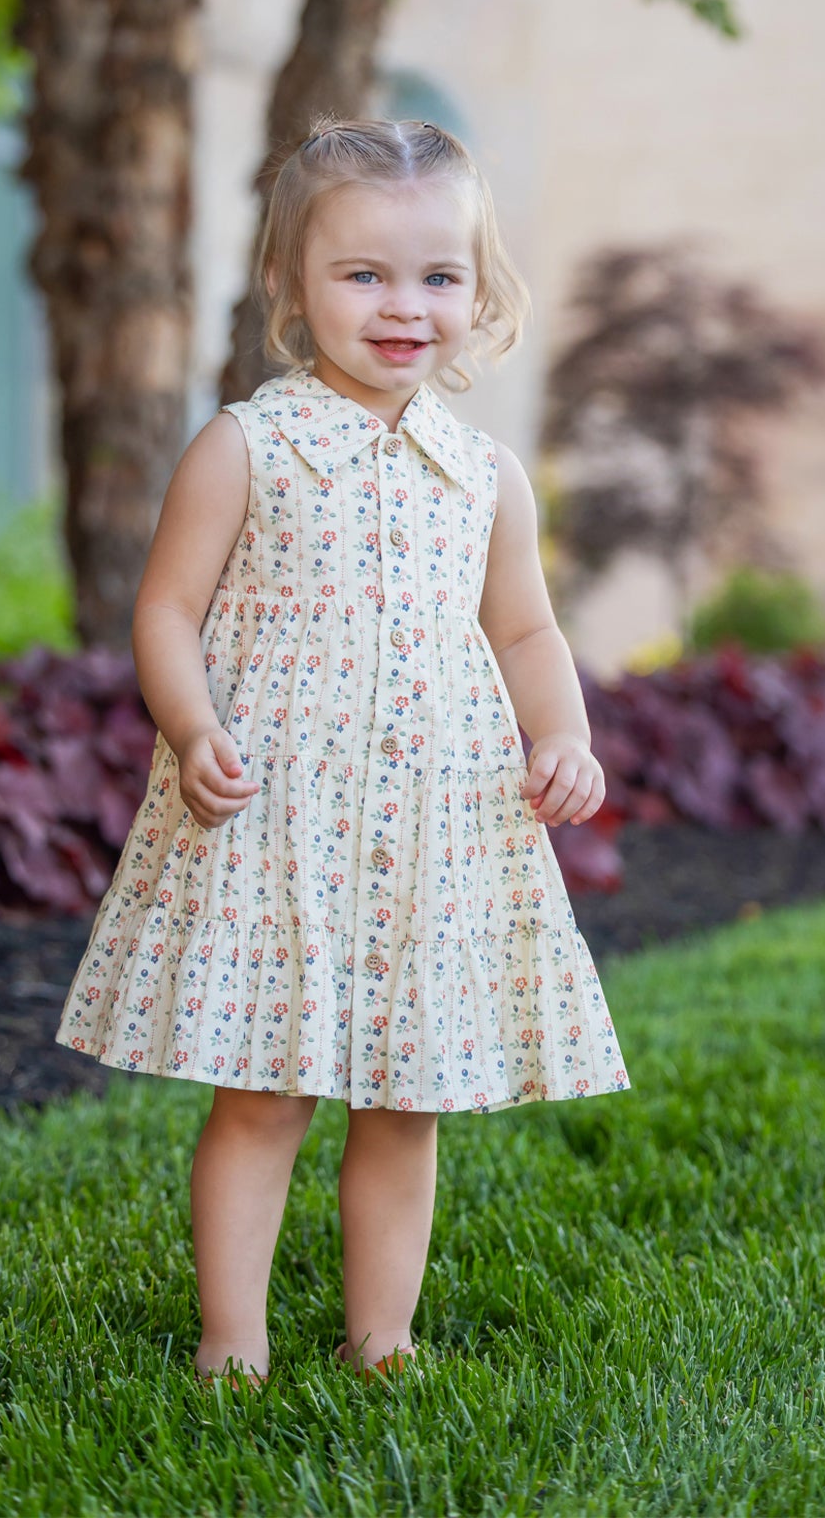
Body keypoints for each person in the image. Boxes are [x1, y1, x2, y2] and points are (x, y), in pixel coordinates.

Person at [54, 115, 631, 1393]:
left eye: (439, 276)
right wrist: (192, 724)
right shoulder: (247, 446)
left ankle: (384, 1342)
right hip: (276, 817)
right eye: (362, 274)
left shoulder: (482, 475)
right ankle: (231, 1344)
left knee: (405, 1097)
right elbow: (165, 610)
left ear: (481, 294)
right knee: (263, 1092)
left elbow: (525, 626)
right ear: (288, 288)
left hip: (435, 822)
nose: (404, 305)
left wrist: (565, 732)